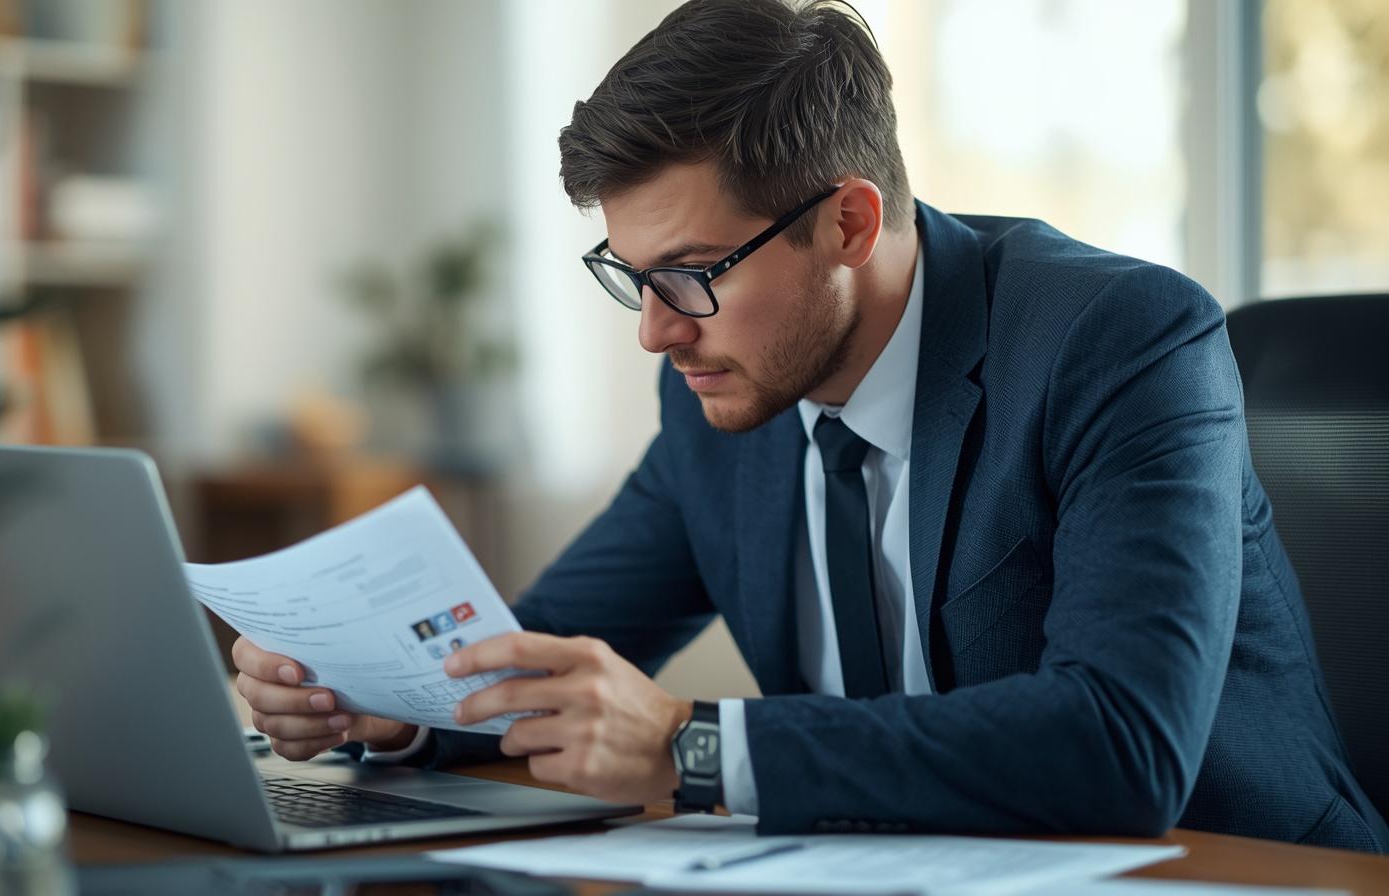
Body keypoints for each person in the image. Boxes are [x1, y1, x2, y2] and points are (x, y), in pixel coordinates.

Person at [232, 0, 1387, 851]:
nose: (655, 331)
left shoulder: (1118, 340)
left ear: (847, 223)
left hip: (1236, 871)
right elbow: (549, 657)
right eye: (630, 275)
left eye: (691, 273)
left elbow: (1120, 741)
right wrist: (388, 705)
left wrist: (690, 743)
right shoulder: (717, 387)